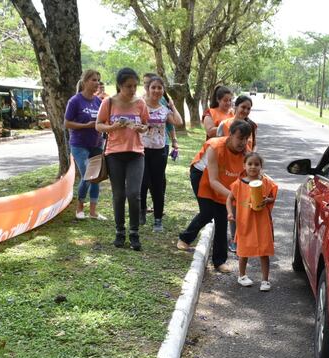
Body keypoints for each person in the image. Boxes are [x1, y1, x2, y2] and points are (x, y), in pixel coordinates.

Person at [177, 120, 252, 271]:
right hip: (202, 175)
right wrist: (233, 195)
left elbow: (254, 173)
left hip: (222, 180)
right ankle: (185, 238)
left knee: (222, 218)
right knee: (208, 212)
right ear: (230, 135)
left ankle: (219, 261)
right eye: (240, 138)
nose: (243, 142)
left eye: (246, 139)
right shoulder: (215, 147)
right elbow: (213, 181)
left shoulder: (246, 152)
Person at [95, 68, 149, 250]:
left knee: (134, 194)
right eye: (128, 86)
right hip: (114, 154)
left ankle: (134, 233)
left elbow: (146, 125)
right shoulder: (108, 102)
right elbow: (98, 125)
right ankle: (120, 232)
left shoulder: (140, 103)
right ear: (119, 85)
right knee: (118, 195)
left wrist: (141, 128)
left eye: (135, 85)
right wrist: (113, 127)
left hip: (136, 153)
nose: (132, 89)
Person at [226, 152, 277, 291]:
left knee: (264, 250)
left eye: (256, 164)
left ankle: (265, 280)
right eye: (250, 164)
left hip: (262, 222)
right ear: (244, 166)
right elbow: (229, 199)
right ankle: (242, 276)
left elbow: (272, 196)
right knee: (243, 250)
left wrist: (268, 200)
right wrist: (230, 213)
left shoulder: (266, 182)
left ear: (261, 166)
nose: (253, 167)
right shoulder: (238, 184)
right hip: (245, 221)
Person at [140, 75, 183, 232]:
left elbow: (178, 122)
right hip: (141, 150)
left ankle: (158, 220)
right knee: (143, 183)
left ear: (163, 90)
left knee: (158, 185)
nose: (156, 90)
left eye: (160, 88)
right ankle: (142, 211)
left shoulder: (164, 110)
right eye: (153, 87)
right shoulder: (140, 106)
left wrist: (171, 104)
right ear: (148, 89)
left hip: (159, 151)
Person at [216, 94, 258, 252]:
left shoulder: (252, 126)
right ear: (236, 107)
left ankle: (237, 239)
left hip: (244, 169)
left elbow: (254, 146)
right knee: (230, 204)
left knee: (242, 205)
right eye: (243, 107)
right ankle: (232, 239)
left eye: (248, 108)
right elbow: (218, 145)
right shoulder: (225, 124)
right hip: (226, 170)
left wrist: (253, 162)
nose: (245, 111)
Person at [64, 69, 106, 220]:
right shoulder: (75, 101)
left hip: (96, 144)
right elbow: (67, 123)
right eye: (94, 80)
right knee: (88, 175)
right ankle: (79, 208)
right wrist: (86, 125)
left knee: (96, 177)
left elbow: (104, 121)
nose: (97, 83)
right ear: (85, 81)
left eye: (98, 80)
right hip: (79, 144)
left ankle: (93, 212)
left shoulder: (99, 102)